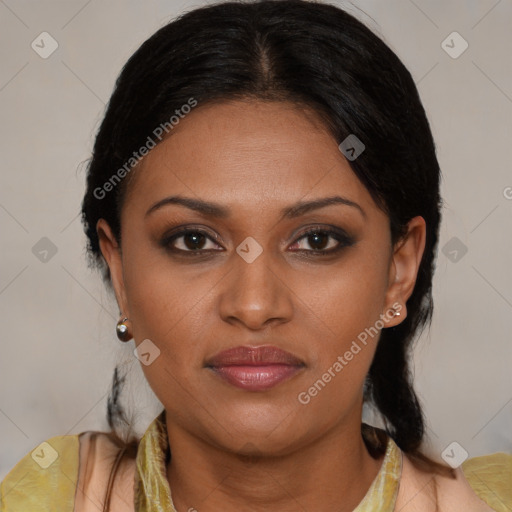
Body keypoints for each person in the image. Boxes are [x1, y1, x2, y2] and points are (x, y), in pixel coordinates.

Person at [1, 0, 510, 510]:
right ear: (121, 270)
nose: (253, 305)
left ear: (399, 270)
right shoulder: (45, 498)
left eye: (317, 240)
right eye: (193, 241)